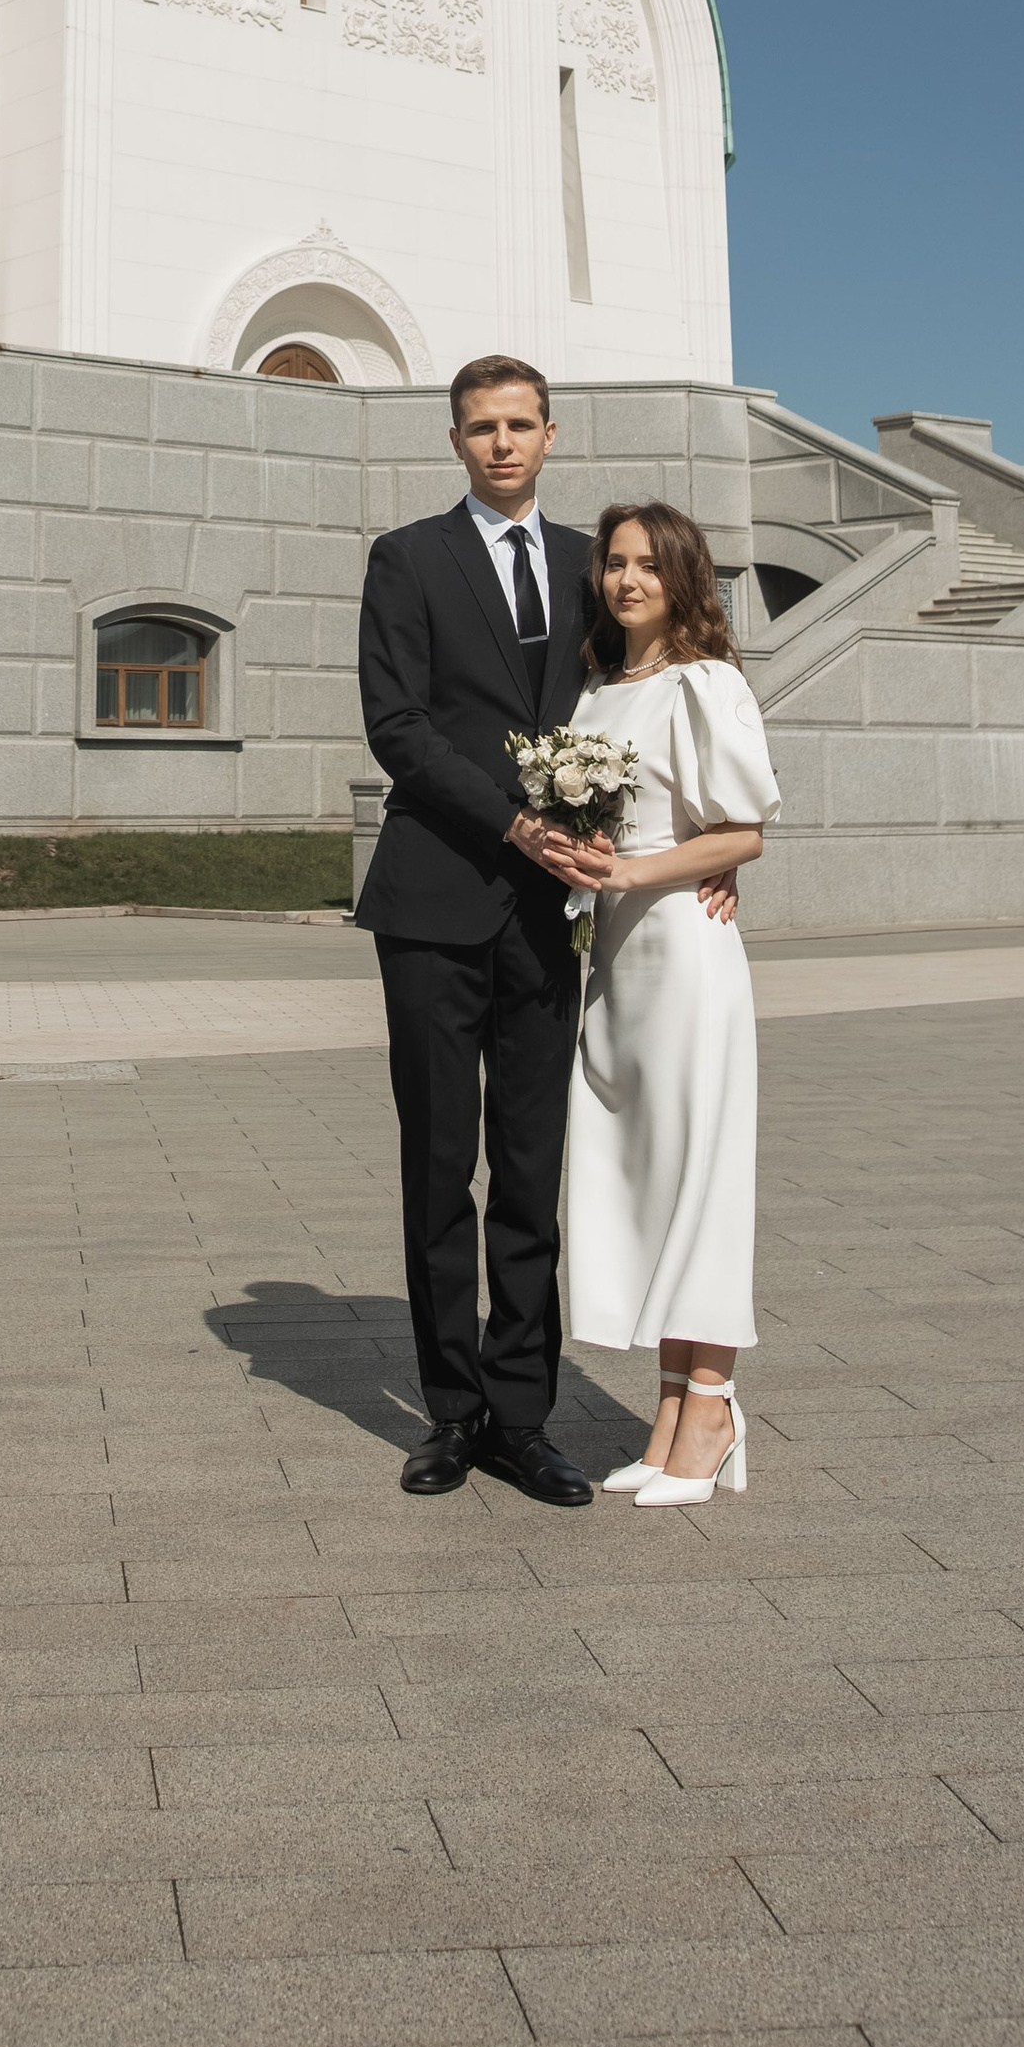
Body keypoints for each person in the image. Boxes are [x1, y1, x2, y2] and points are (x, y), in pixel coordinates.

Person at [355, 360, 734, 1505]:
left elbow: (659, 694)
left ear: (551, 434)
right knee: (438, 1165)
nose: (502, 444)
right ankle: (451, 1412)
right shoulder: (407, 558)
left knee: (531, 1170)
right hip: (432, 898)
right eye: (482, 428)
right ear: (455, 438)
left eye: (520, 425)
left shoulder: (593, 564)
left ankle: (523, 1418)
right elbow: (399, 728)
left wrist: (715, 849)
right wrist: (516, 823)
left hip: (552, 913)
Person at [546, 500, 779, 1505]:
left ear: (684, 578)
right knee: (645, 1179)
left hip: (686, 953)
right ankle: (670, 1411)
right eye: (615, 563)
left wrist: (633, 871)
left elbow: (742, 833)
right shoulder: (595, 692)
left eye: (647, 564)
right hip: (619, 964)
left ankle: (715, 1407)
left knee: (701, 1179)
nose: (626, 579)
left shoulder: (706, 684)